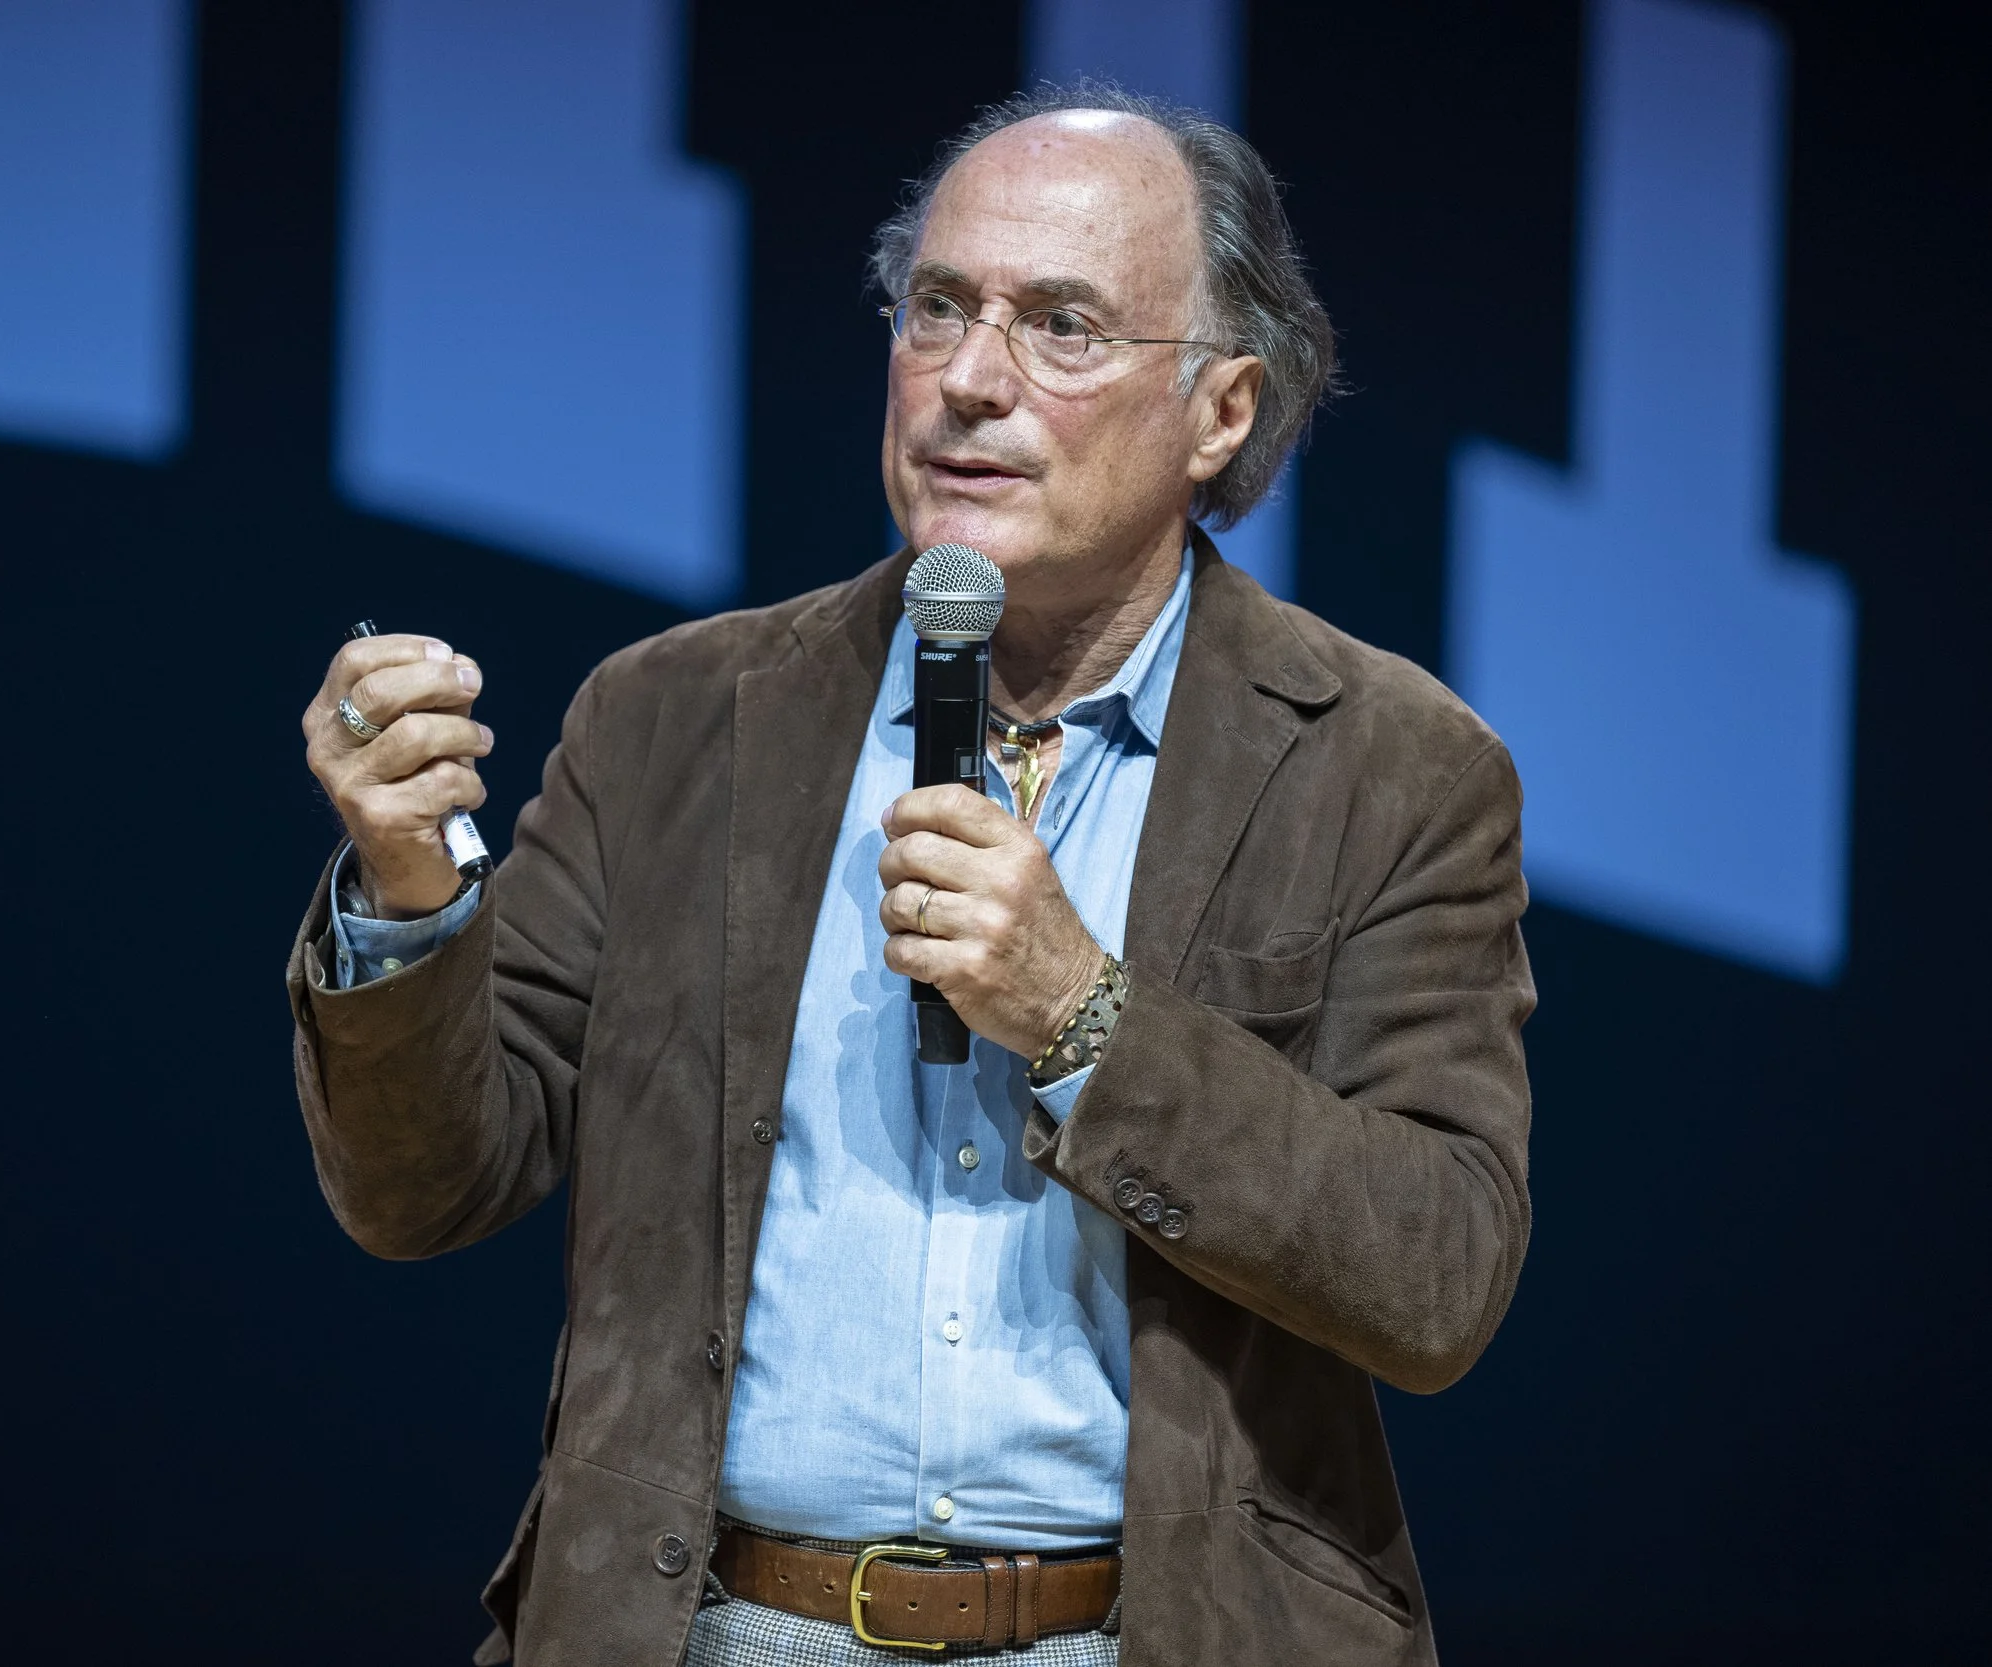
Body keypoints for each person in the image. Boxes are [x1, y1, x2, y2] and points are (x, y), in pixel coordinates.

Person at [289, 82, 1534, 1667]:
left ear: (1222, 409)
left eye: (1063, 327)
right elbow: (427, 1186)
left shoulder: (1389, 764)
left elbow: (1436, 1273)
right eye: (937, 308)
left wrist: (1085, 1016)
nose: (967, 381)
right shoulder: (673, 717)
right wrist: (408, 896)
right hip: (725, 1626)